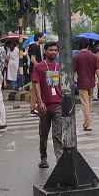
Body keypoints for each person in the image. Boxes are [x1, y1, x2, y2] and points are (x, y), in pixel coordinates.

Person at [30, 40, 65, 168]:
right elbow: (36, 84)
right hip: (44, 106)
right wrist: (39, 102)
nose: (54, 52)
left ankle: (60, 160)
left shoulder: (59, 67)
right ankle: (43, 158)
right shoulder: (39, 67)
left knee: (57, 134)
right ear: (45, 51)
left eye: (55, 50)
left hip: (58, 105)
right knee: (43, 134)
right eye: (51, 50)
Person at [74, 41, 99, 131]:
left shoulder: (77, 57)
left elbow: (73, 71)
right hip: (91, 83)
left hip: (82, 83)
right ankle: (86, 123)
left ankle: (87, 124)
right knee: (89, 103)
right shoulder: (93, 56)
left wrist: (73, 81)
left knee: (85, 104)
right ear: (88, 46)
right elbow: (97, 70)